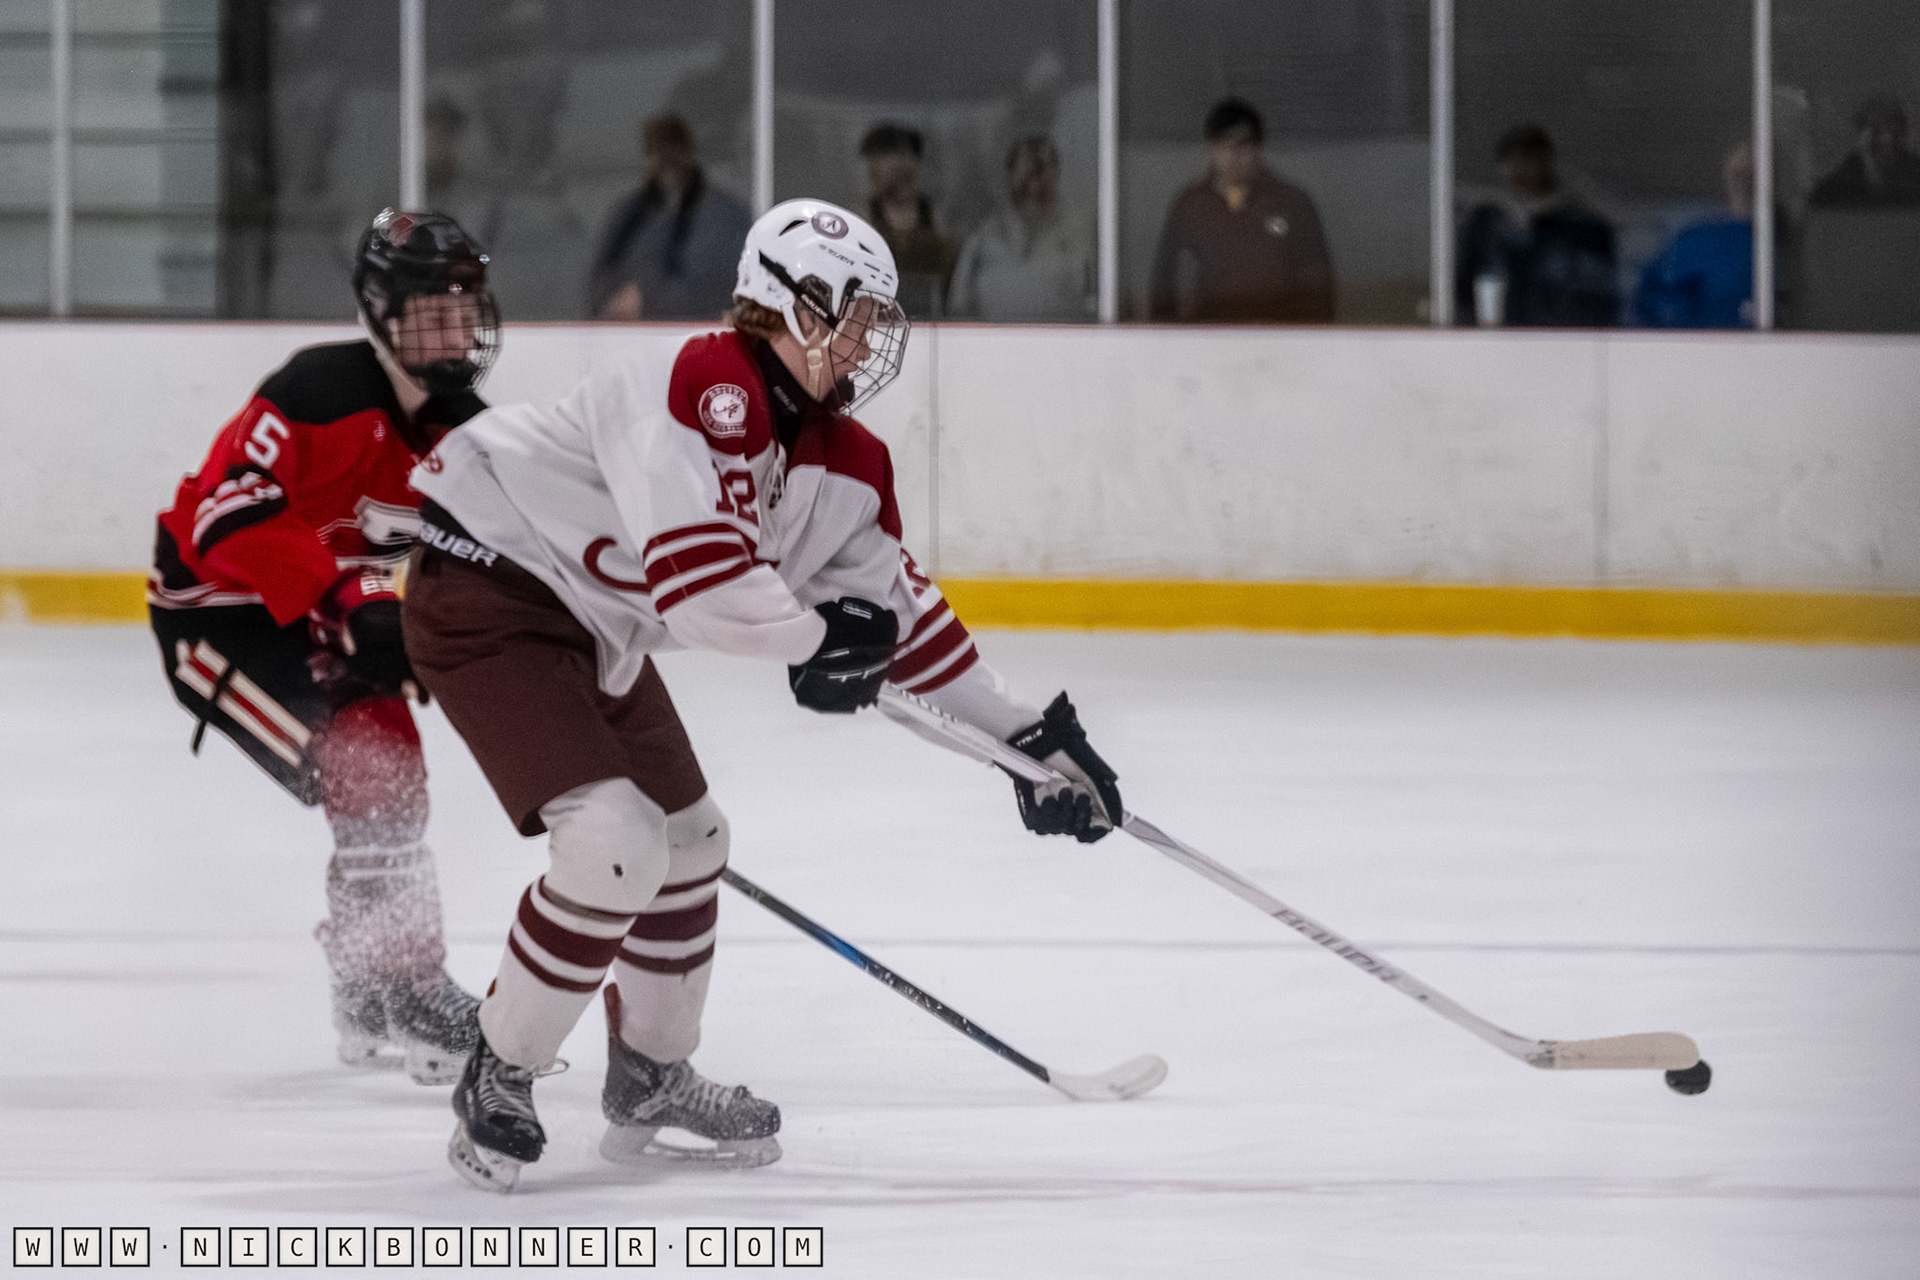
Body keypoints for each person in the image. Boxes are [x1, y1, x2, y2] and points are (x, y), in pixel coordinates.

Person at [401, 198, 1124, 1192]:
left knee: (691, 839)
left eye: (877, 320)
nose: (869, 341)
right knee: (615, 846)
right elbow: (701, 591)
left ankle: (650, 1076)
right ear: (794, 302)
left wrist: (1026, 744)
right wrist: (821, 640)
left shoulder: (846, 460)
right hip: (489, 588)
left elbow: (904, 621)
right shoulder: (694, 382)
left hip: (599, 627)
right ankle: (502, 1066)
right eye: (857, 315)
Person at [148, 210, 498, 1084]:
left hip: (317, 612)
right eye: (434, 311)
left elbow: (502, 557)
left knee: (382, 758)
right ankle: (404, 987)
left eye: (466, 308)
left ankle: (372, 989)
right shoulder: (316, 390)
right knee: (370, 761)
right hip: (216, 615)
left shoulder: (469, 433)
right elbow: (224, 517)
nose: (457, 329)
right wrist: (348, 603)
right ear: (381, 314)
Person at [1148, 98, 1334, 323]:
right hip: (1209, 334)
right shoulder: (1190, 206)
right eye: (1223, 145)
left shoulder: (1292, 203)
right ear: (1211, 150)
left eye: (1242, 144)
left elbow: (1317, 280)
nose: (1233, 155)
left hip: (1278, 332)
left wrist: (1306, 336)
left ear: (1258, 149)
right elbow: (1165, 281)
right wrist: (1168, 337)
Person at [587, 114, 755, 322]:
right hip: (624, 337)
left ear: (689, 152)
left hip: (696, 334)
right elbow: (597, 283)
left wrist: (648, 302)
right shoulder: (628, 217)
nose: (664, 159)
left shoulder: (726, 216)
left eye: (672, 147)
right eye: (654, 151)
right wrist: (615, 304)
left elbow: (733, 287)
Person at [1456, 124, 1618, 327]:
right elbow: (1465, 288)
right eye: (1509, 159)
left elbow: (1598, 295)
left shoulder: (1583, 226)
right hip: (1500, 334)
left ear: (1547, 161)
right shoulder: (1487, 224)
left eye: (1527, 157)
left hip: (1563, 335)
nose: (1519, 167)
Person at [949, 136, 1096, 322]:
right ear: (1009, 179)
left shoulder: (1081, 235)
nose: (1033, 187)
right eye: (1025, 175)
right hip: (993, 338)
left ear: (1055, 177)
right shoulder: (983, 238)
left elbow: (1098, 303)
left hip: (1065, 337)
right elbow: (958, 307)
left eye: (1040, 171)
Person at [1634, 144, 1759, 329]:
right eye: (1738, 174)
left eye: (1752, 174)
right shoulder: (1694, 242)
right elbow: (1654, 302)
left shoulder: (1784, 247)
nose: (1744, 183)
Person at [860, 123, 959, 317]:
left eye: (884, 156)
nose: (874, 168)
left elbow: (956, 296)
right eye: (873, 160)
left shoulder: (942, 232)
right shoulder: (860, 229)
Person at [1810, 95, 1920, 208]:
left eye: (1895, 132)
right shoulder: (1832, 190)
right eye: (1876, 131)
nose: (1887, 139)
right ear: (1859, 137)